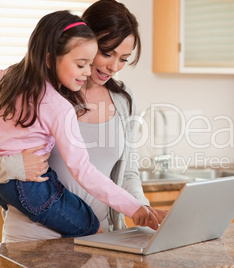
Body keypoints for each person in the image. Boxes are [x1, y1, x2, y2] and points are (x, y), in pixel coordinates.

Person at [0, 0, 167, 242]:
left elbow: (128, 170)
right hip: (33, 238)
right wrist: (12, 166)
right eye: (107, 53)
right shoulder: (38, 93)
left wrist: (140, 208)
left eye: (124, 59)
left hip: (99, 236)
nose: (113, 66)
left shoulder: (123, 98)